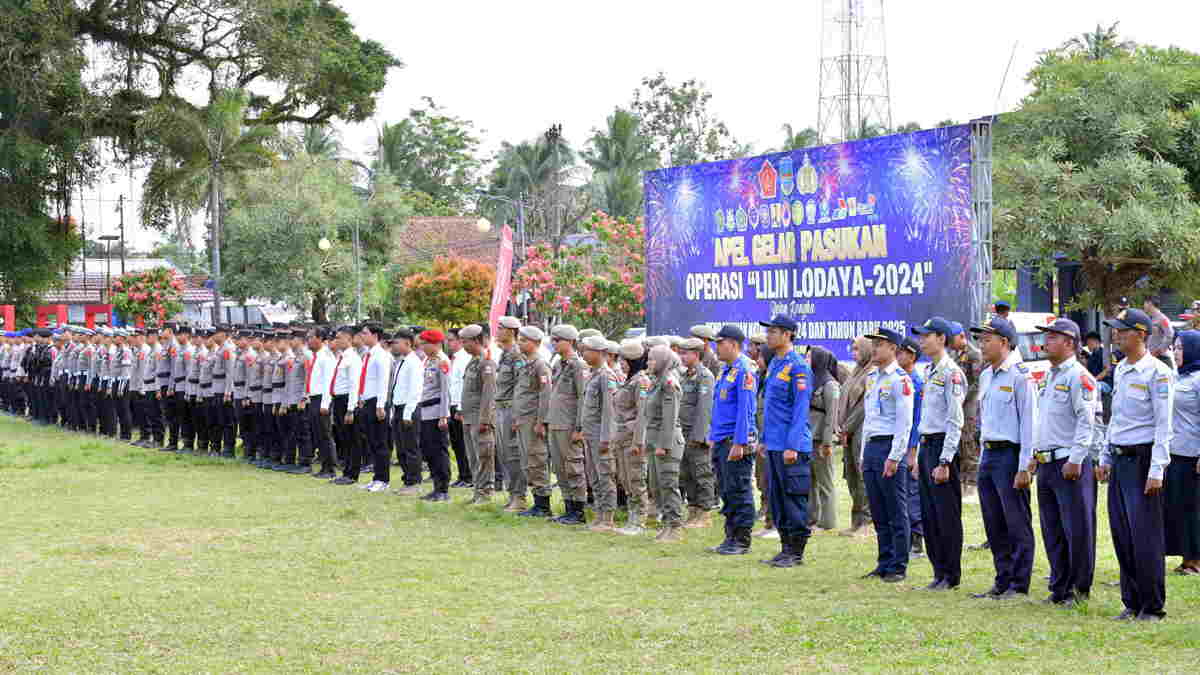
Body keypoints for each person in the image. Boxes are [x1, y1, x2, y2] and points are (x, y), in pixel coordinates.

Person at [1098, 308, 1174, 621]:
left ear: (1141, 334)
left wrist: (1157, 469)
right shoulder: (1122, 369)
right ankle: (1131, 601)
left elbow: (1163, 425)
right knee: (1122, 533)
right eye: (1115, 330)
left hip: (1143, 460)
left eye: (1122, 330)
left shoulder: (1157, 372)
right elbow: (1117, 419)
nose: (1116, 335)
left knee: (1145, 536)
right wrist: (1105, 454)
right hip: (1120, 458)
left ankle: (1152, 605)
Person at [970, 316, 1038, 599]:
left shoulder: (1021, 375)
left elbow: (1030, 424)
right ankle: (1002, 579)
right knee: (993, 521)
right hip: (989, 454)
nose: (982, 345)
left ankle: (1019, 584)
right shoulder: (986, 375)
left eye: (987, 340)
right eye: (980, 339)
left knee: (1016, 521)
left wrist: (1025, 465)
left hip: (1011, 455)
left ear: (1005, 343)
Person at [1032, 318, 1098, 607]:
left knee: (1077, 528)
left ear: (1069, 343)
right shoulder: (1049, 376)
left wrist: (1076, 458)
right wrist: (1035, 455)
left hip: (1069, 463)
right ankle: (1059, 586)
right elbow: (1043, 421)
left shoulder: (1078, 376)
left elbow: (1087, 422)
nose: (1045, 342)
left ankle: (1078, 588)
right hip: (1047, 462)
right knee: (1052, 528)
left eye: (1052, 337)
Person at [911, 317, 967, 590]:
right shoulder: (929, 370)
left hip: (943, 446)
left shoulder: (951, 373)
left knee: (946, 513)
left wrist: (945, 460)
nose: (922, 340)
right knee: (929, 513)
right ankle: (938, 571)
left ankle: (951, 574)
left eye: (927, 336)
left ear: (942, 339)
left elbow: (955, 420)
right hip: (927, 445)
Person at [859, 328, 915, 583]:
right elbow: (870, 419)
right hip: (872, 447)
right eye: (873, 344)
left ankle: (898, 565)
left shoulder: (900, 380)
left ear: (893, 348)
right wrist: (863, 453)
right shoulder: (873, 377)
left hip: (889, 447)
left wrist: (895, 456)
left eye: (879, 344)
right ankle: (884, 561)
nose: (874, 349)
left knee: (895, 508)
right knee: (878, 509)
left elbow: (905, 422)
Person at [757, 315, 813, 567]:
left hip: (791, 446)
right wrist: (764, 439)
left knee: (793, 498)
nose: (768, 336)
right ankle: (785, 547)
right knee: (777, 498)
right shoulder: (776, 364)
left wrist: (792, 445)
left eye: (774, 332)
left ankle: (796, 551)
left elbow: (800, 410)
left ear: (788, 334)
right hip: (774, 444)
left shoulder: (798, 366)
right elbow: (771, 408)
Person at [707, 325, 759, 555]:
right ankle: (730, 536)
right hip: (721, 439)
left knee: (739, 489)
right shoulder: (726, 370)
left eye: (720, 343)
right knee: (727, 491)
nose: (716, 348)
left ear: (734, 344)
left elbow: (745, 410)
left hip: (734, 440)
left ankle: (741, 539)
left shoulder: (744, 370)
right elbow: (720, 407)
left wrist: (740, 442)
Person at [547, 324, 589, 525]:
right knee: (560, 467)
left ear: (570, 341)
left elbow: (582, 397)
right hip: (556, 422)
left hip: (569, 424)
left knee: (573, 467)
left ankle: (578, 510)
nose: (553, 343)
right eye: (553, 339)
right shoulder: (558, 364)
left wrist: (579, 427)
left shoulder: (577, 365)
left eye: (558, 340)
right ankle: (568, 507)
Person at [645, 343, 686, 542]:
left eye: (652, 359)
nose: (649, 362)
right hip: (655, 441)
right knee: (657, 486)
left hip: (667, 443)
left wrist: (663, 444)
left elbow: (670, 417)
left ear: (662, 360)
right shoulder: (657, 381)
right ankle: (666, 525)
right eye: (648, 358)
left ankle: (675, 527)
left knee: (669, 484)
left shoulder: (669, 382)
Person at [579, 334, 619, 531]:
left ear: (600, 353)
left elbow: (609, 411)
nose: (584, 353)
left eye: (587, 350)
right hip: (590, 434)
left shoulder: (606, 376)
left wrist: (606, 438)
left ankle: (608, 517)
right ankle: (599, 513)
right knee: (594, 476)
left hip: (601, 435)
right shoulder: (591, 374)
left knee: (605, 475)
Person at [1168, 330, 1200, 576]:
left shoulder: (1198, 379)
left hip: (1193, 454)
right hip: (1174, 452)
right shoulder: (1177, 377)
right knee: (1179, 506)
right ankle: (1186, 557)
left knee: (1194, 507)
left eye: (1180, 348)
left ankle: (1196, 560)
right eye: (1174, 347)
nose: (1176, 352)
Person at [835, 336, 874, 536]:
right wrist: (840, 427)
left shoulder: (872, 373)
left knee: (862, 475)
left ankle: (867, 522)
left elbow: (863, 407)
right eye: (852, 349)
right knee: (850, 475)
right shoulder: (854, 372)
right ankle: (856, 521)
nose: (854, 353)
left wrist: (847, 428)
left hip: (860, 430)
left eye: (858, 349)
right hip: (848, 431)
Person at [613, 339, 652, 535]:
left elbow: (643, 414)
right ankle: (631, 517)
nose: (621, 363)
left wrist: (638, 442)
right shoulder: (628, 380)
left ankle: (639, 521)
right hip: (621, 438)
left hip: (632, 439)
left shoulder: (640, 382)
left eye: (624, 360)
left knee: (636, 480)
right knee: (626, 479)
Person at [514, 326, 554, 517]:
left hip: (533, 420)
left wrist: (541, 421)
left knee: (537, 460)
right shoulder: (525, 363)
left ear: (536, 343)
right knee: (527, 462)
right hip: (523, 419)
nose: (519, 343)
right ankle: (537, 501)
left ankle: (543, 504)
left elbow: (545, 395)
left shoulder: (540, 365)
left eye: (524, 340)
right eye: (519, 339)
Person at [677, 337, 716, 529]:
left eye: (685, 353)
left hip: (696, 434)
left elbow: (704, 408)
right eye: (681, 353)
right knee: (686, 473)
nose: (682, 356)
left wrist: (699, 436)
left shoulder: (705, 376)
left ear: (696, 354)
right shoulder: (684, 376)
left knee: (702, 473)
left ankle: (705, 512)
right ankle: (693, 510)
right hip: (682, 433)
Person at [459, 325, 498, 505]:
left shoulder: (486, 362)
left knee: (484, 455)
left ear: (476, 340)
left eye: (465, 341)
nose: (463, 345)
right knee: (473, 457)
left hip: (479, 419)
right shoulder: (473, 361)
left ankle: (485, 492)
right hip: (469, 418)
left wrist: (485, 419)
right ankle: (477, 490)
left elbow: (489, 394)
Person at [806, 346, 841, 532]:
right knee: (810, 481)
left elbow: (831, 417)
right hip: (808, 439)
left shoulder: (830, 385)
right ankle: (812, 518)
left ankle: (827, 522)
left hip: (821, 440)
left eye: (810, 356)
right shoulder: (811, 381)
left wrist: (827, 443)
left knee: (825, 483)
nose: (806, 358)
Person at [415, 329, 452, 501]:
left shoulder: (442, 361)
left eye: (425, 343)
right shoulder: (427, 360)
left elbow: (445, 391)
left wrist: (444, 415)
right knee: (428, 450)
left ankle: (443, 488)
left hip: (436, 411)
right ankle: (436, 486)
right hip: (425, 411)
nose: (422, 347)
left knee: (438, 450)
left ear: (435, 344)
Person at [896, 337, 925, 559]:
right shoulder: (900, 379)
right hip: (900, 443)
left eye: (902, 352)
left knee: (912, 493)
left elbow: (916, 419)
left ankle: (916, 541)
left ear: (912, 356)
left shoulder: (915, 382)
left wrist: (913, 450)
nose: (898, 355)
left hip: (910, 445)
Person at [950, 322, 985, 501]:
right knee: (960, 444)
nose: (949, 341)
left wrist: (962, 396)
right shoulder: (955, 354)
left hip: (970, 405)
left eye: (952, 337)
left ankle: (971, 484)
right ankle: (963, 481)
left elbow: (977, 382)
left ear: (961, 336)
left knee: (969, 442)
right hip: (959, 405)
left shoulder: (973, 354)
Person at [494, 316, 524, 510]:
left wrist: (517, 414)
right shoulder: (504, 354)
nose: (497, 331)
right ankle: (512, 493)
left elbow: (520, 386)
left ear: (511, 331)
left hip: (511, 409)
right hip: (500, 407)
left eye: (501, 328)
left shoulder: (516, 355)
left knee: (513, 454)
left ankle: (519, 497)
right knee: (504, 454)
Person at [329, 327, 362, 485]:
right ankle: (346, 471)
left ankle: (352, 474)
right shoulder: (341, 357)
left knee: (351, 438)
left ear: (349, 339)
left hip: (347, 401)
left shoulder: (353, 358)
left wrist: (350, 409)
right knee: (343, 437)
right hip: (339, 400)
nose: (336, 340)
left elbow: (354, 385)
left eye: (339, 338)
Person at [447, 328, 473, 488]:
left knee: (464, 443)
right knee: (456, 443)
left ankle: (468, 475)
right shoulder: (455, 358)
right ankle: (463, 474)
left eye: (451, 340)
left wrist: (460, 408)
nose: (448, 343)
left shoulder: (464, 358)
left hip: (460, 405)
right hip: (453, 404)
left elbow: (465, 385)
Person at [1145, 296, 1176, 370]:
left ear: (1150, 304)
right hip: (1150, 356)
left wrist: (1159, 350)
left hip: (1161, 358)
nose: (1144, 306)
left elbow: (1170, 335)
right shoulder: (1149, 318)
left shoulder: (1162, 318)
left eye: (1145, 303)